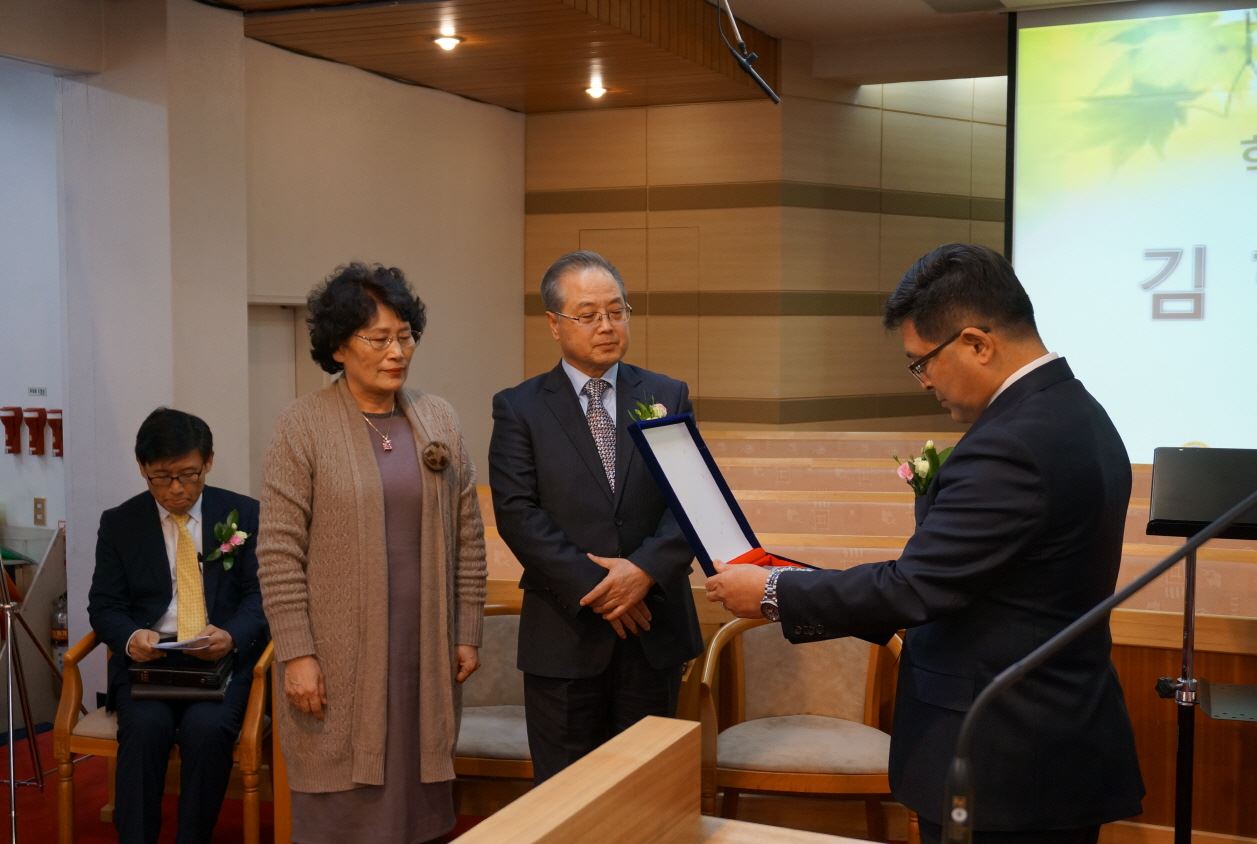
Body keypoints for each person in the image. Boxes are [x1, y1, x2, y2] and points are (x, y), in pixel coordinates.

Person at [705, 244, 1145, 844]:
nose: (925, 383)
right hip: (1046, 735)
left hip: (1003, 752)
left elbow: (917, 588)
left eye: (922, 363)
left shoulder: (1013, 443)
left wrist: (774, 590)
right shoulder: (1077, 412)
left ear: (976, 343)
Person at [257, 262, 487, 844]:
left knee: (419, 800)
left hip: (423, 651)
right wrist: (297, 653)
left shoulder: (437, 417)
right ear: (339, 346)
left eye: (405, 336)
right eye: (378, 338)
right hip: (338, 656)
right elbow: (278, 552)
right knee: (342, 805)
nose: (397, 352)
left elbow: (468, 535)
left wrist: (467, 630)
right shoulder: (302, 425)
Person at [489, 249, 703, 783]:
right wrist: (603, 589)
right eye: (588, 315)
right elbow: (517, 514)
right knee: (567, 792)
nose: (606, 326)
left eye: (616, 311)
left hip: (653, 628)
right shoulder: (520, 407)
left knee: (648, 790)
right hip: (567, 634)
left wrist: (643, 571)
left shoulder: (665, 394)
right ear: (554, 324)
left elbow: (691, 503)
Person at [88, 408, 268, 844]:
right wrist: (132, 637)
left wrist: (230, 636)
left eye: (188, 475)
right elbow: (105, 605)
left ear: (208, 462)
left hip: (219, 662)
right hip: (150, 665)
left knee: (208, 731)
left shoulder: (244, 514)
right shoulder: (120, 523)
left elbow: (260, 597)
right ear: (142, 468)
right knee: (143, 729)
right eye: (162, 477)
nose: (176, 489)